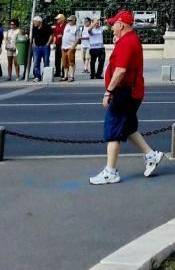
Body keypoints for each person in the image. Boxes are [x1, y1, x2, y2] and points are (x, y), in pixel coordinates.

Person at [89, 10, 162, 185]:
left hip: (125, 92)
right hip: (133, 90)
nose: (112, 27)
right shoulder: (129, 40)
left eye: (114, 24)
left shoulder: (126, 43)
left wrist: (109, 91)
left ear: (121, 25)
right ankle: (151, 155)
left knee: (113, 129)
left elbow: (120, 70)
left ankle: (110, 171)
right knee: (127, 127)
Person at [30, 15, 52, 81]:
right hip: (37, 47)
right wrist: (34, 44)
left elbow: (51, 35)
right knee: (36, 62)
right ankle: (37, 76)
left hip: (45, 47)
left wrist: (48, 43)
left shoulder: (46, 26)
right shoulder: (34, 28)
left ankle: (45, 75)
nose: (34, 23)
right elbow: (33, 37)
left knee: (46, 62)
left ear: (39, 21)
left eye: (35, 22)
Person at [61, 15, 80, 82]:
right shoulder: (67, 25)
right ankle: (65, 76)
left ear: (74, 20)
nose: (69, 21)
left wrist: (73, 47)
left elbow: (78, 38)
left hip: (70, 47)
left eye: (70, 20)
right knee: (64, 62)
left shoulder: (76, 27)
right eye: (68, 20)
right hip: (64, 46)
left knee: (71, 62)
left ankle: (72, 76)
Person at [51, 14, 65, 78]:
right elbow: (55, 35)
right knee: (57, 59)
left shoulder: (66, 26)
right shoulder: (57, 26)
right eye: (56, 19)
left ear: (62, 19)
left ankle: (64, 72)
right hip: (58, 44)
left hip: (64, 44)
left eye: (58, 19)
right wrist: (54, 43)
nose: (57, 20)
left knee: (64, 59)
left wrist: (62, 35)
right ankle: (57, 72)